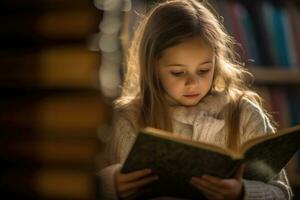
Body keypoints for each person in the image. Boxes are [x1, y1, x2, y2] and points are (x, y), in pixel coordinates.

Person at [98, 0, 293, 199]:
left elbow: (283, 193)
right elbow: (79, 183)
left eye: (203, 70)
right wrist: (110, 183)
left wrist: (242, 192)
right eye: (178, 72)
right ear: (153, 67)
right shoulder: (127, 119)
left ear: (216, 62)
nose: (193, 83)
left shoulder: (243, 113)